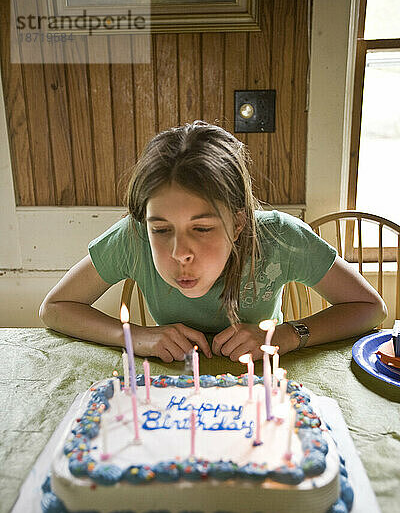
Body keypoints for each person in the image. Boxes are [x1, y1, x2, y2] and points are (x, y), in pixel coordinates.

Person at [39, 121, 387, 363]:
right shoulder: (133, 235)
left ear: (237, 224)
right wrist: (135, 336)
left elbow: (370, 308)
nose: (179, 254)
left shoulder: (278, 236)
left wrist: (287, 335)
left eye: (202, 228)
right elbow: (55, 309)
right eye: (161, 230)